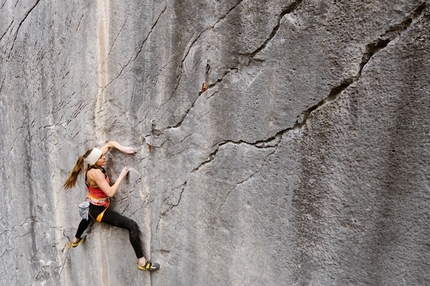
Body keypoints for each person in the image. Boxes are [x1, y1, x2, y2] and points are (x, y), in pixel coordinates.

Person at [63, 141, 160, 271]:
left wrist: (123, 148)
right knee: (132, 225)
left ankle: (76, 240)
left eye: (102, 155)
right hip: (98, 210)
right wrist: (121, 176)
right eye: (101, 158)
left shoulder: (95, 159)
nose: (104, 157)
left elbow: (109, 144)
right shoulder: (95, 173)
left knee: (87, 216)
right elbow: (110, 192)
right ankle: (142, 263)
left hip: (93, 203)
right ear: (95, 161)